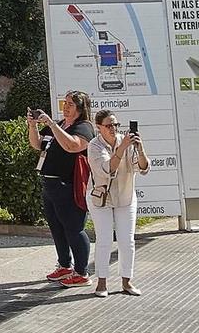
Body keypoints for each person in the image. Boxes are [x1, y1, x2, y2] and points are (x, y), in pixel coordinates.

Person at [32, 92, 95, 287]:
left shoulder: (83, 127)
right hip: (50, 184)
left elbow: (72, 146)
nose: (66, 107)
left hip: (68, 185)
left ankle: (82, 272)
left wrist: (51, 124)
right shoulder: (60, 125)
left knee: (74, 228)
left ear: (80, 107)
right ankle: (65, 265)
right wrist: (32, 125)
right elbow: (37, 144)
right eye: (65, 103)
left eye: (70, 104)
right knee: (57, 228)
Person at [86, 110, 148, 296]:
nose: (113, 129)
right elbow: (107, 169)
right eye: (108, 125)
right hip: (101, 197)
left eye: (115, 125)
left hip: (125, 195)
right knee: (104, 239)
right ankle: (101, 283)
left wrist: (140, 148)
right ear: (99, 128)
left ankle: (127, 282)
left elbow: (143, 168)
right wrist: (122, 148)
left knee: (127, 241)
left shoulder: (127, 141)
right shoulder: (94, 146)